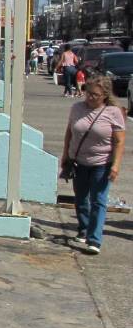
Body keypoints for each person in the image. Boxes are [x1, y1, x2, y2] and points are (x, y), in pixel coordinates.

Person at [62, 75, 124, 255]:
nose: (90, 97)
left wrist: (116, 165)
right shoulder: (77, 108)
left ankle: (94, 239)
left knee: (98, 200)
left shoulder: (113, 112)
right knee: (81, 198)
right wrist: (66, 154)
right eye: (88, 93)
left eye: (95, 95)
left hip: (102, 163)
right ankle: (83, 229)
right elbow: (69, 132)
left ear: (104, 95)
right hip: (78, 162)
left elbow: (119, 142)